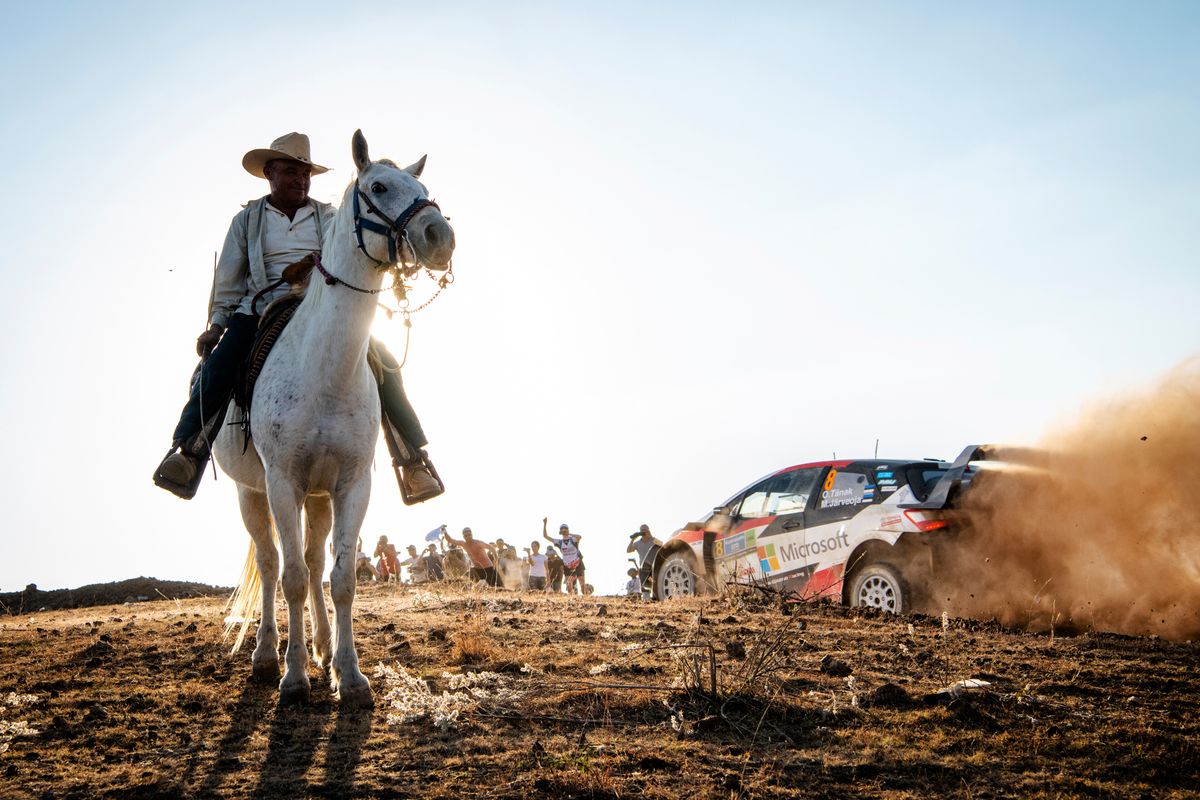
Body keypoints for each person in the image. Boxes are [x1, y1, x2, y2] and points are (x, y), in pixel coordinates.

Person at [151, 131, 441, 504]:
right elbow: (228, 279)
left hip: (319, 305)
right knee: (220, 364)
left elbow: (352, 254)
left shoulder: (328, 216)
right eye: (292, 171)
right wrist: (218, 325)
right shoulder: (247, 220)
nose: (301, 180)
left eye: (305, 174)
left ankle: (412, 458)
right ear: (270, 172)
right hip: (258, 309)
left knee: (384, 363)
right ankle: (188, 450)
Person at [542, 518, 585, 595]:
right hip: (567, 565)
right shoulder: (559, 542)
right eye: (562, 529)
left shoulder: (573, 539)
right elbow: (545, 536)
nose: (564, 529)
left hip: (578, 563)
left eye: (565, 528)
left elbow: (580, 536)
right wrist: (545, 524)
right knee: (568, 586)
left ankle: (587, 599)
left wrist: (569, 534)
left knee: (582, 585)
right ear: (560, 531)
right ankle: (572, 601)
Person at [626, 524, 663, 598]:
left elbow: (662, 544)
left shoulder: (654, 540)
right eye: (642, 530)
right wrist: (633, 539)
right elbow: (628, 550)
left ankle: (657, 600)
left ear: (648, 530)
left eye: (645, 530)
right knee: (645, 588)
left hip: (655, 567)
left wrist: (651, 536)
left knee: (656, 585)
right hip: (644, 569)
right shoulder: (638, 543)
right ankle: (647, 601)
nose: (644, 531)